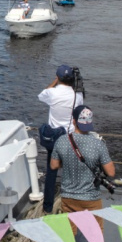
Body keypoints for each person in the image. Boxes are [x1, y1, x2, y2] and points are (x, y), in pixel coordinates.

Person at [49, 106, 115, 242]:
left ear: (74, 121)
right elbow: (110, 171)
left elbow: (54, 166)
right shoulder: (98, 144)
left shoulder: (62, 141)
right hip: (91, 198)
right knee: (95, 234)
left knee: (69, 233)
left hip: (68, 197)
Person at [37, 64, 84, 213]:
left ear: (58, 78)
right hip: (70, 139)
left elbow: (41, 95)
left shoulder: (52, 93)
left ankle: (48, 206)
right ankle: (72, 205)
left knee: (51, 173)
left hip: (54, 140)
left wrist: (54, 82)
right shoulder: (78, 96)